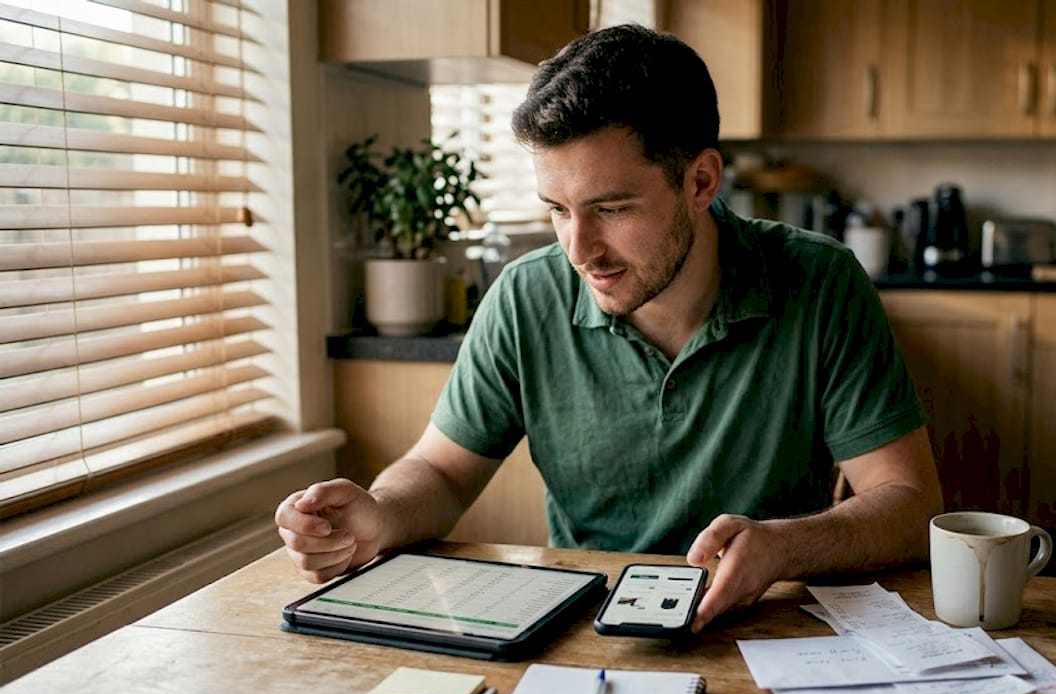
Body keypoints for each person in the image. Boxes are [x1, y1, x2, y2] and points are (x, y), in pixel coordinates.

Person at [275, 23, 942, 633]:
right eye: (558, 210)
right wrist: (381, 513)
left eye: (611, 207)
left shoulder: (820, 282)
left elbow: (909, 505)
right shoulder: (524, 296)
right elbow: (442, 471)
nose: (578, 248)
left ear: (701, 180)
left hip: (774, 626)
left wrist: (782, 545)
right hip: (587, 633)